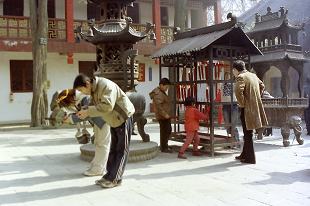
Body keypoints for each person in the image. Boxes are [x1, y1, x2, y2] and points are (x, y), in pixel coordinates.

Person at [73, 73, 135, 188]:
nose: (82, 93)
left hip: (123, 117)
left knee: (122, 150)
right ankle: (109, 175)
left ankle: (116, 179)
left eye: (82, 90)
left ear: (87, 83)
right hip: (112, 119)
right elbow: (92, 105)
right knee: (113, 150)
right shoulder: (93, 90)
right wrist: (82, 111)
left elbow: (107, 106)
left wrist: (87, 112)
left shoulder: (105, 86)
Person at [58, 89, 110, 177]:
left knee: (102, 144)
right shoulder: (80, 98)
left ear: (69, 99)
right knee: (98, 144)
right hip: (99, 122)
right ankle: (95, 167)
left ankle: (98, 169)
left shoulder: (85, 98)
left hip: (104, 121)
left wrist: (71, 119)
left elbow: (87, 114)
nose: (68, 107)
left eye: (67, 105)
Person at [233, 60, 268, 164]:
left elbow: (238, 91)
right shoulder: (253, 75)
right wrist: (255, 97)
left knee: (248, 133)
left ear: (235, 69)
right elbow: (262, 86)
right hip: (254, 106)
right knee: (248, 132)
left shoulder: (240, 77)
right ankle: (244, 154)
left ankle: (250, 158)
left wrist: (243, 103)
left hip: (247, 108)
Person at [149, 78, 173, 153]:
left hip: (165, 116)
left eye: (168, 87)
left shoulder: (161, 92)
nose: (166, 89)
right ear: (161, 85)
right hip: (163, 117)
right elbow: (158, 106)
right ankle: (163, 147)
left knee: (168, 130)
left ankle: (165, 145)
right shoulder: (158, 93)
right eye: (166, 87)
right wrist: (165, 114)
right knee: (164, 131)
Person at [221, 71, 240, 148]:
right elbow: (216, 80)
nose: (227, 76)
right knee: (228, 124)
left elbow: (238, 79)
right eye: (226, 74)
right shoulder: (222, 84)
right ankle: (230, 141)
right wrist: (219, 71)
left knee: (234, 125)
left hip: (234, 105)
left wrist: (234, 72)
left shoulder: (234, 84)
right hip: (225, 105)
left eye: (229, 75)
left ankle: (236, 141)